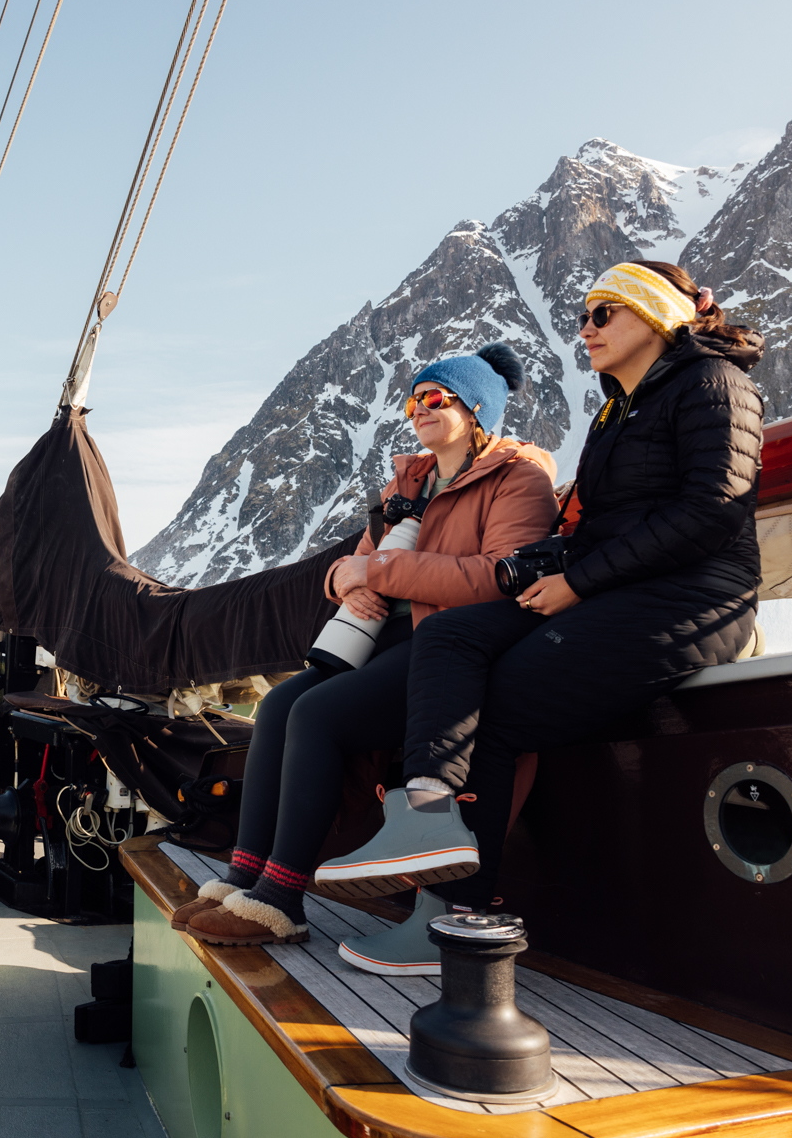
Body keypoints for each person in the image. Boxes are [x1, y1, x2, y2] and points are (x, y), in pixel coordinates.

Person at [317, 260, 764, 929]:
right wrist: (525, 572)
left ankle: (456, 919)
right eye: (581, 316)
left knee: (501, 699)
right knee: (451, 633)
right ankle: (427, 813)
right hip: (619, 590)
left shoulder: (713, 383)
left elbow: (711, 512)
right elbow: (604, 526)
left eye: (601, 314)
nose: (584, 329)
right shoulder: (618, 411)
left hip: (693, 598)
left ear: (654, 313)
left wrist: (578, 581)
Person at [178, 342, 557, 957]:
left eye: (435, 398)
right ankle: (242, 876)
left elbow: (496, 576)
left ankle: (281, 898)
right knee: (277, 709)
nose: (419, 410)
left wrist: (381, 573)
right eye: (413, 400)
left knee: (318, 714)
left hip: (449, 644)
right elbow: (354, 564)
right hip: (380, 639)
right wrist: (345, 584)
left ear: (479, 409)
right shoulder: (409, 481)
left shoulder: (519, 479)